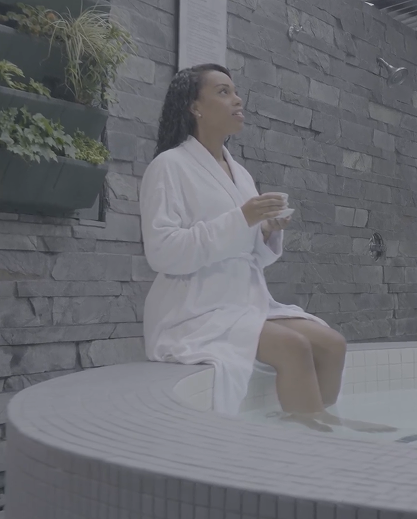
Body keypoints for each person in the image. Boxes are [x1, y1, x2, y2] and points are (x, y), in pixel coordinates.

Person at [140, 63, 393, 433]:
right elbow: (162, 252)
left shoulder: (239, 173)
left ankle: (318, 420)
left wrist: (267, 232)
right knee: (294, 348)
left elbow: (253, 254)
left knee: (332, 344)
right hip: (194, 306)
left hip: (244, 299)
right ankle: (311, 438)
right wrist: (241, 219)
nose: (237, 99)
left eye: (236, 91)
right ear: (195, 106)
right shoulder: (169, 167)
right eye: (223, 92)